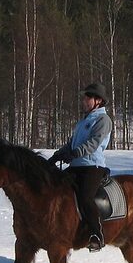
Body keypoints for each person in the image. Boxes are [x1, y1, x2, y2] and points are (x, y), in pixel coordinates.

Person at [48, 82, 113, 251]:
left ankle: (97, 234)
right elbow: (72, 144)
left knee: (85, 197)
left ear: (98, 101)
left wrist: (75, 154)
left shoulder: (103, 120)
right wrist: (58, 155)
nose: (83, 101)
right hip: (76, 166)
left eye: (87, 98)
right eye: (84, 98)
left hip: (92, 166)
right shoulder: (83, 121)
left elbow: (93, 143)